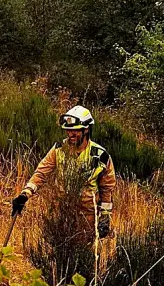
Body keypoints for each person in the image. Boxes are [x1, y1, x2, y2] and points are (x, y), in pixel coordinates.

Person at [11, 105, 117, 245]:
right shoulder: (59, 150)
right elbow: (41, 173)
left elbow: (106, 188)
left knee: (82, 255)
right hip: (61, 212)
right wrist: (24, 195)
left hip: (87, 217)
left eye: (75, 131)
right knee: (58, 251)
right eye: (68, 131)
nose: (70, 135)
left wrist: (105, 217)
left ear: (86, 129)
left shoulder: (100, 156)